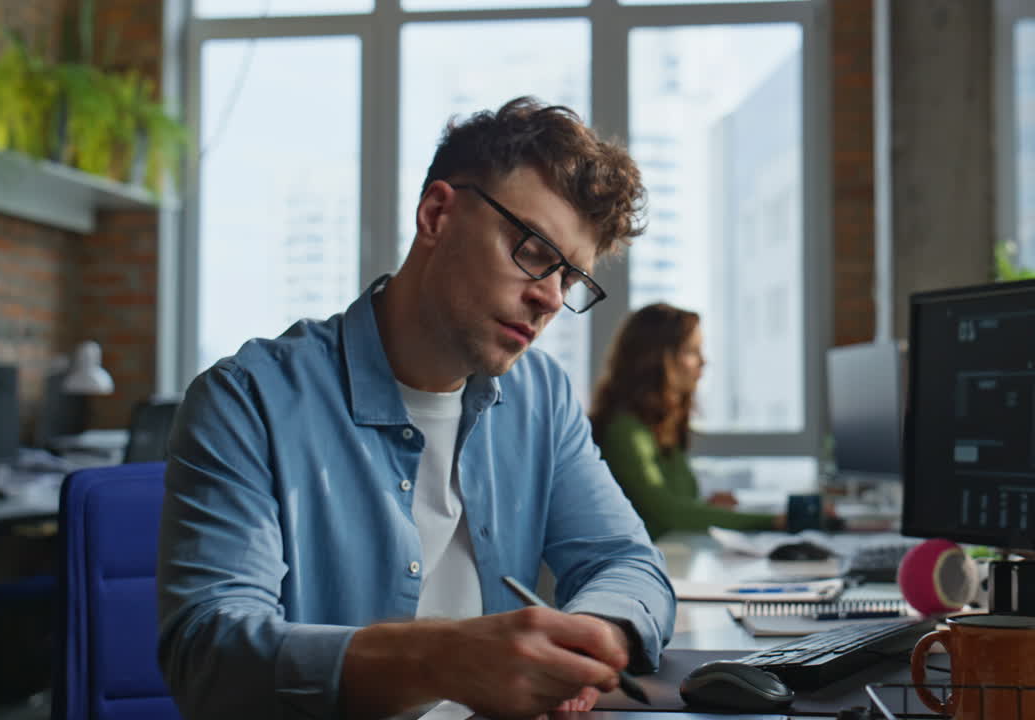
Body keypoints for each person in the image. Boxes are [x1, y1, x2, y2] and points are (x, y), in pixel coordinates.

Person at [156, 97, 676, 720]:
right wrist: (438, 660)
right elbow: (210, 655)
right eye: (535, 251)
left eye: (570, 279)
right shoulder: (248, 400)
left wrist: (594, 634)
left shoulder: (543, 397)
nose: (549, 299)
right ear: (436, 215)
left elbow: (626, 561)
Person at [589, 303, 784, 540]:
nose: (703, 362)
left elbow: (675, 503)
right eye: (692, 351)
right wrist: (775, 521)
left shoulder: (661, 424)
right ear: (657, 358)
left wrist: (705, 506)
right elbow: (669, 513)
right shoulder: (625, 430)